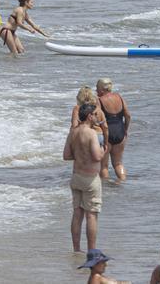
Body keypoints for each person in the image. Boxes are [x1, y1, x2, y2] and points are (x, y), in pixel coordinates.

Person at [65, 100, 105, 252]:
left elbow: (66, 155)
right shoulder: (91, 133)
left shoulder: (73, 132)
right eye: (94, 114)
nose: (96, 117)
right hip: (90, 178)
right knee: (91, 215)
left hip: (76, 177)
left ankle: (76, 249)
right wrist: (103, 150)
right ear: (89, 116)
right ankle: (91, 251)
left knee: (77, 213)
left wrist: (80, 155)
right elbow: (96, 156)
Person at [96, 78, 130, 181]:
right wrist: (125, 130)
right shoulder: (119, 97)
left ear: (102, 90)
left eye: (97, 88)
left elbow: (97, 119)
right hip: (120, 132)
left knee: (104, 166)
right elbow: (128, 116)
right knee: (118, 163)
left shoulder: (99, 100)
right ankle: (122, 181)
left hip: (107, 133)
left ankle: (107, 191)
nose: (96, 91)